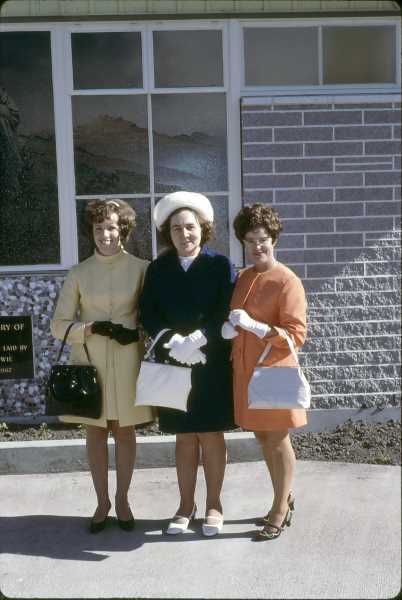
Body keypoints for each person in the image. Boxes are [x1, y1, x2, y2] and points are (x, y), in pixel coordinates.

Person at [50, 199, 153, 533]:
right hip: (89, 363)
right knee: (95, 431)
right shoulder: (78, 273)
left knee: (124, 431)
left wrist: (139, 331)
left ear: (122, 228)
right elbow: (58, 325)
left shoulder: (141, 268)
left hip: (127, 361)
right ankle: (101, 501)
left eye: (111, 227)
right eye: (99, 228)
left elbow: (153, 315)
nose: (105, 234)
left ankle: (122, 500)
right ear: (91, 232)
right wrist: (89, 328)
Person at [139, 191, 235, 537]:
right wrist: (171, 340)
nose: (184, 234)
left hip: (210, 363)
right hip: (173, 363)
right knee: (183, 437)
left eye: (190, 226)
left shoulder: (220, 265)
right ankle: (185, 505)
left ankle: (214, 504)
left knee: (210, 434)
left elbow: (226, 309)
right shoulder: (158, 269)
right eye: (176, 228)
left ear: (202, 228)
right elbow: (147, 312)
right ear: (168, 233)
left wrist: (199, 338)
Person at [221, 203, 307, 541]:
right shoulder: (244, 277)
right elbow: (235, 319)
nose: (257, 246)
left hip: (273, 371)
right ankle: (283, 497)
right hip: (245, 370)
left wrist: (255, 326)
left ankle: (280, 508)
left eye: (263, 239)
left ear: (274, 239)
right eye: (250, 240)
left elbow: (296, 335)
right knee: (262, 437)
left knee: (277, 438)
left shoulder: (287, 281)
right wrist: (231, 329)